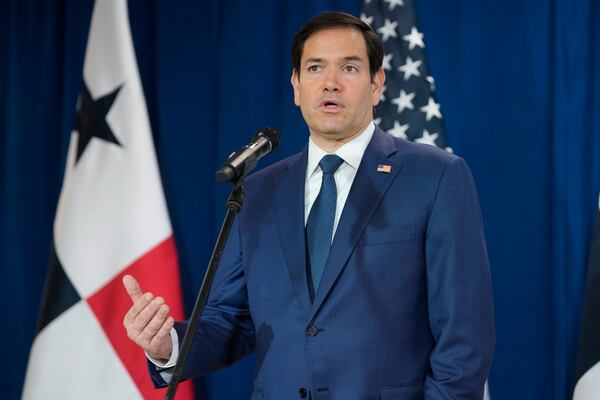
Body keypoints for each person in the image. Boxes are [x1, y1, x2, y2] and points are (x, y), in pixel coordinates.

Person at [122, 11, 494, 399]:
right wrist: (167, 347)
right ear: (297, 86)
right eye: (315, 68)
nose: (330, 83)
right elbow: (233, 321)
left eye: (349, 68)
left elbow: (464, 338)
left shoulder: (435, 176)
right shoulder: (259, 191)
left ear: (377, 84)